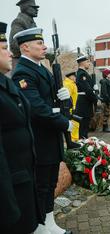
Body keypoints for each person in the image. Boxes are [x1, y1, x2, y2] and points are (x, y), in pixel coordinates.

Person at [11, 27, 73, 234]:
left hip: (50, 137)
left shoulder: (41, 68)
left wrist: (64, 97)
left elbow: (51, 99)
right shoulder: (23, 72)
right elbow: (36, 108)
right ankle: (39, 226)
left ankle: (49, 222)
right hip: (40, 138)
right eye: (39, 43)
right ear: (25, 47)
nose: (44, 46)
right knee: (41, 185)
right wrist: (64, 122)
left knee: (50, 182)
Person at [0, 22, 43, 234]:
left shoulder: (5, 84)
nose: (9, 53)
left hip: (23, 177)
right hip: (9, 189)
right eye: (2, 48)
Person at [9, 0, 39, 71]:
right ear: (26, 8)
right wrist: (33, 53)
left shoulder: (32, 23)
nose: (37, 10)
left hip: (30, 62)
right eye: (34, 7)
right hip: (22, 63)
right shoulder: (19, 22)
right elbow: (14, 45)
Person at [75, 55, 98, 139]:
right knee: (83, 127)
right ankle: (82, 145)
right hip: (84, 103)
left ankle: (84, 142)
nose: (89, 64)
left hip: (85, 102)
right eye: (88, 62)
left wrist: (94, 87)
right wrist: (95, 98)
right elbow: (87, 90)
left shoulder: (83, 73)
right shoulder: (82, 74)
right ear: (83, 63)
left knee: (85, 126)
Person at [63, 71, 79, 141]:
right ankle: (73, 141)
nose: (76, 78)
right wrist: (72, 108)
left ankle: (74, 140)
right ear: (71, 77)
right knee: (73, 126)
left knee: (75, 125)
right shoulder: (68, 84)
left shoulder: (71, 83)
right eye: (75, 77)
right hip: (71, 109)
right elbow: (67, 98)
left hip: (73, 107)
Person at [99, 68, 110, 132]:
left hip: (107, 100)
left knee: (107, 114)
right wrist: (108, 100)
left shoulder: (107, 81)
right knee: (106, 114)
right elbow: (104, 92)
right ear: (107, 74)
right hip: (106, 101)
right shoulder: (104, 81)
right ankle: (105, 128)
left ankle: (106, 127)